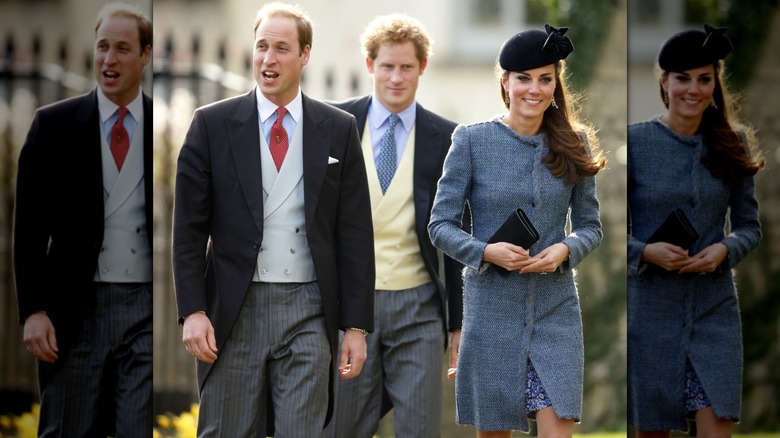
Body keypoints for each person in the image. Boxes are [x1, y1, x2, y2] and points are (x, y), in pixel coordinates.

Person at [171, 2, 375, 436]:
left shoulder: (339, 127)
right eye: (261, 46)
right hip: (234, 309)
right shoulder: (211, 124)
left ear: (304, 55)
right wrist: (192, 309)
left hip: (310, 309)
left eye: (281, 48)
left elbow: (354, 234)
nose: (268, 58)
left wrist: (355, 326)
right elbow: (188, 229)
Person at [428, 24, 605, 437]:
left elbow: (591, 227)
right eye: (523, 78)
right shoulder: (471, 141)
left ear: (555, 84)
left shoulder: (575, 142)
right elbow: (440, 225)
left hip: (556, 309)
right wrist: (486, 252)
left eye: (546, 79)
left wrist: (566, 250)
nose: (535, 89)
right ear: (505, 82)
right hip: (491, 311)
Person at [13, 2, 153, 435]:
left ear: (145, 55)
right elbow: (29, 226)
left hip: (145, 310)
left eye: (123, 49)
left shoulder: (167, 126)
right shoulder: (52, 125)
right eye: (102, 47)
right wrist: (34, 309)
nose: (109, 60)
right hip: (74, 311)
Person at [324, 14, 463, 438]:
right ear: (370, 65)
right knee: (344, 427)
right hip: (351, 309)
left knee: (420, 429)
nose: (396, 77)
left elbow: (457, 236)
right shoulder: (331, 125)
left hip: (418, 308)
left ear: (422, 67)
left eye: (406, 66)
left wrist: (458, 323)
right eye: (387, 66)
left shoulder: (448, 138)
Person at [627, 25, 763, 437]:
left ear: (714, 83)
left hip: (713, 309)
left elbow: (749, 227)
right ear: (664, 82)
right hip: (650, 312)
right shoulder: (635, 143)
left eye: (705, 79)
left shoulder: (732, 143)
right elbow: (606, 231)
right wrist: (645, 251)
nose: (694, 89)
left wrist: (725, 249)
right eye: (683, 78)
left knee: (718, 425)